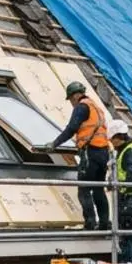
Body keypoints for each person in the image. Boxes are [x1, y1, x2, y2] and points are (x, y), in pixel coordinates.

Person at [49, 81, 111, 230]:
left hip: (91, 152)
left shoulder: (82, 107)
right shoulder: (96, 107)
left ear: (76, 95)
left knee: (83, 189)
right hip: (104, 152)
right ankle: (104, 223)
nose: (71, 102)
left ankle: (90, 223)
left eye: (70, 99)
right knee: (98, 188)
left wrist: (54, 144)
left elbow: (72, 128)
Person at [108, 120, 132, 264]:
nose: (111, 142)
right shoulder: (126, 149)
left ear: (118, 137)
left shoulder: (130, 151)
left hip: (130, 199)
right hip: (130, 198)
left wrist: (121, 188)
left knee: (126, 237)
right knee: (130, 236)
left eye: (112, 139)